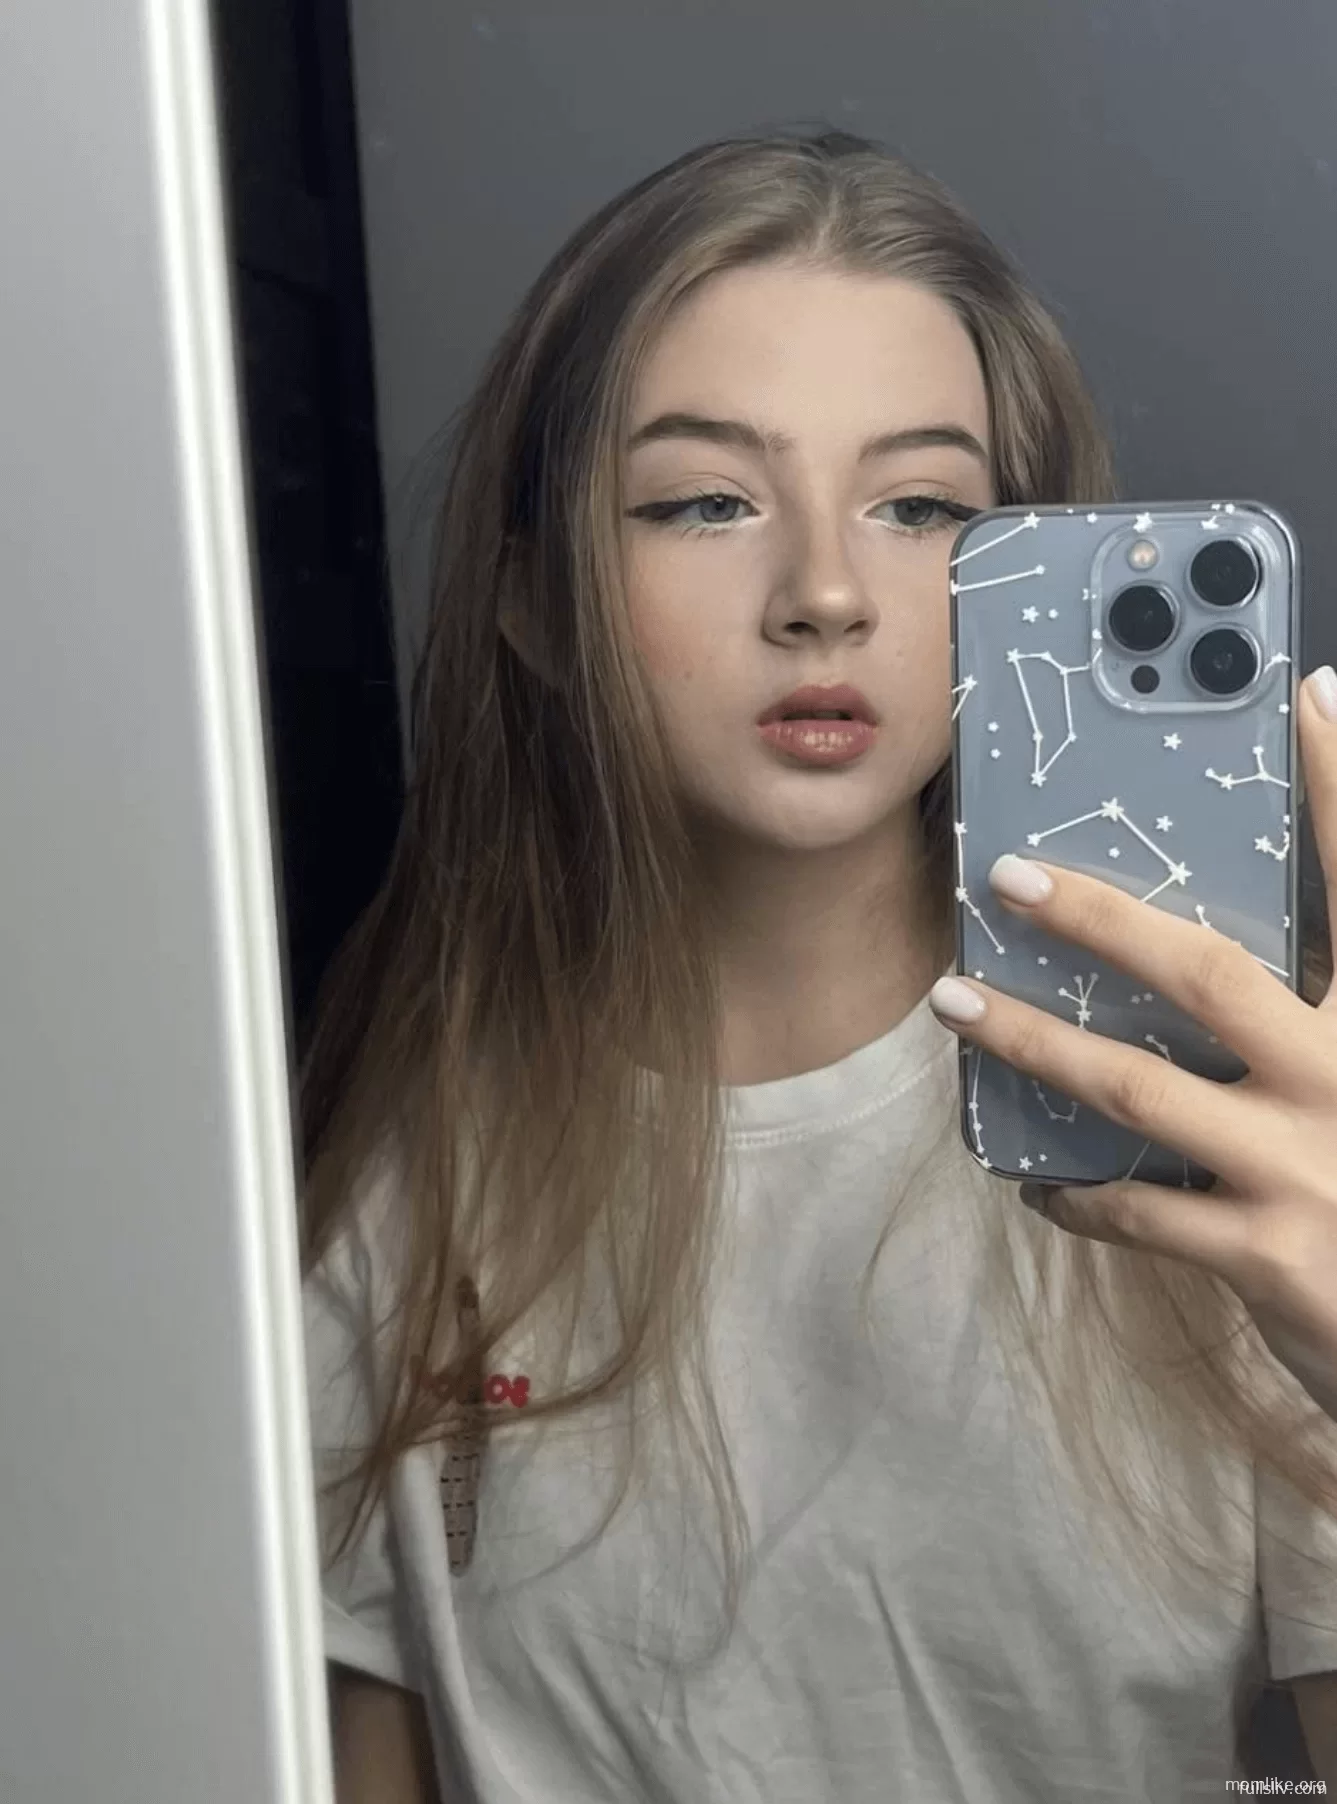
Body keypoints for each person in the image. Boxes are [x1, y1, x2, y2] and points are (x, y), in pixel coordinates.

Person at [298, 130, 1337, 1802]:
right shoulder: (401, 1178)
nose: (827, 594)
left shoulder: (1231, 1150)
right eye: (705, 501)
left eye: (922, 506)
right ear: (535, 605)